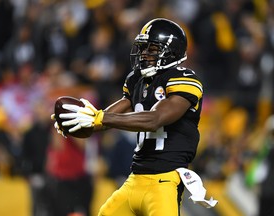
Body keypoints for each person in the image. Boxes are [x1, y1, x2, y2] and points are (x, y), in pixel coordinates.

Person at [52, 18, 204, 216]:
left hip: (164, 181)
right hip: (135, 179)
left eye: (151, 49)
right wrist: (77, 121)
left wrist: (102, 118)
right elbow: (104, 119)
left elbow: (154, 119)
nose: (144, 54)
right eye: (143, 48)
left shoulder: (185, 79)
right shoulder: (136, 80)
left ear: (171, 51)